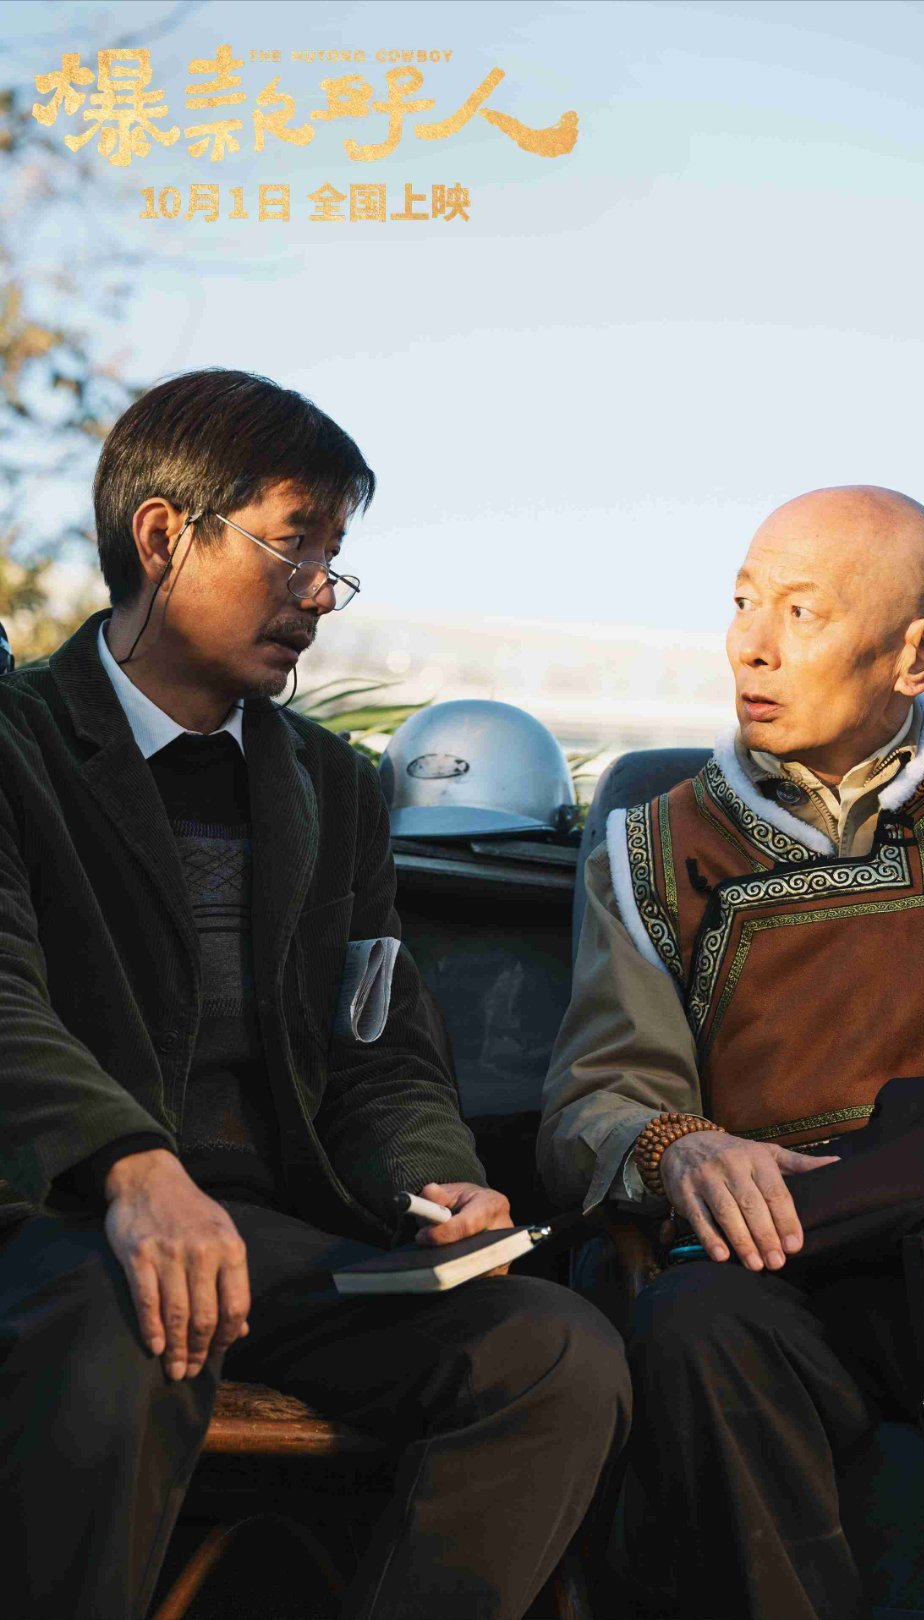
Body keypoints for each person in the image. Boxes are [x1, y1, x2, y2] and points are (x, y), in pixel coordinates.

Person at [0, 368, 630, 1620]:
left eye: (335, 560)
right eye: (295, 546)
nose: (321, 595)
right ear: (163, 536)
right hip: (59, 1224)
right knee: (136, 1320)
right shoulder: (17, 745)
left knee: (558, 1355)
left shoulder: (334, 787)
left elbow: (379, 1049)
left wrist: (438, 1182)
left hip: (278, 1244)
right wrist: (134, 1169)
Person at [539, 484, 924, 1620]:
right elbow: (599, 1095)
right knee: (694, 1326)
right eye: (743, 602)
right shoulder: (651, 846)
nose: (751, 645)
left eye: (801, 611)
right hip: (791, 1260)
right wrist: (681, 1150)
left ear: (921, 652)